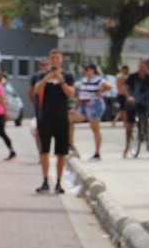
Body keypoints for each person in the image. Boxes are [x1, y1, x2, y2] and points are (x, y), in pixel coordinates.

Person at [32, 49, 76, 193]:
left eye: (57, 58)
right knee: (44, 150)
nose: (55, 60)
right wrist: (47, 78)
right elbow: (36, 90)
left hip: (62, 119)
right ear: (50, 60)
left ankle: (58, 182)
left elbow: (71, 94)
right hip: (45, 118)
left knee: (61, 153)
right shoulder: (42, 75)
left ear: (61, 60)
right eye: (53, 58)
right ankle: (45, 180)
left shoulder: (68, 76)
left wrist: (60, 79)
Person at [69, 64, 111, 161]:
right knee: (70, 119)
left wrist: (100, 91)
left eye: (87, 70)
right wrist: (75, 108)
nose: (85, 72)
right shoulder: (84, 80)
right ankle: (70, 144)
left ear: (93, 70)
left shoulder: (98, 79)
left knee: (95, 128)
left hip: (94, 104)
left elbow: (109, 86)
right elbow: (80, 95)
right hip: (84, 104)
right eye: (85, 70)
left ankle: (97, 153)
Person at [123, 61, 149, 157]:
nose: (142, 69)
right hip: (133, 101)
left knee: (146, 115)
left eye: (144, 67)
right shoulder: (132, 77)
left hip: (144, 101)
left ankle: (144, 132)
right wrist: (129, 97)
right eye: (140, 67)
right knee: (130, 124)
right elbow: (126, 88)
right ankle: (127, 146)